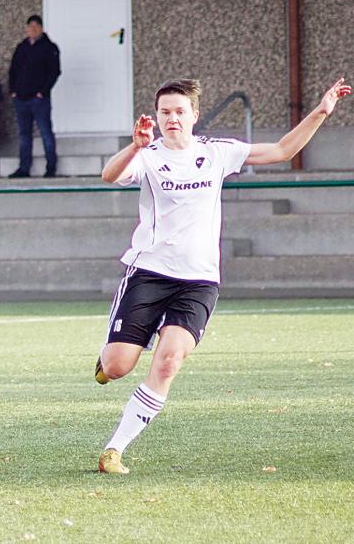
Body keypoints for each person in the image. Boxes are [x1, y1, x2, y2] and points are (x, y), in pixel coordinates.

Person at [95, 78, 351, 475]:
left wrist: (320, 112)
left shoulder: (217, 153)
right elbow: (108, 176)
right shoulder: (149, 154)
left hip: (199, 281)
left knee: (168, 362)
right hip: (149, 272)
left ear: (195, 115)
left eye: (180, 112)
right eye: (165, 112)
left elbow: (283, 150)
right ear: (157, 116)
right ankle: (110, 353)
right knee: (116, 368)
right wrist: (135, 146)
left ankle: (115, 449)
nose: (172, 119)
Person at [9, 14, 61, 178]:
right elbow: (13, 70)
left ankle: (51, 167)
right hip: (21, 99)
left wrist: (43, 91)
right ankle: (24, 168)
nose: (32, 29)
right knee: (24, 135)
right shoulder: (21, 47)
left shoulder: (49, 47)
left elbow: (54, 72)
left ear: (41, 28)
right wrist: (13, 90)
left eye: (36, 26)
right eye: (29, 26)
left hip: (39, 99)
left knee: (45, 132)